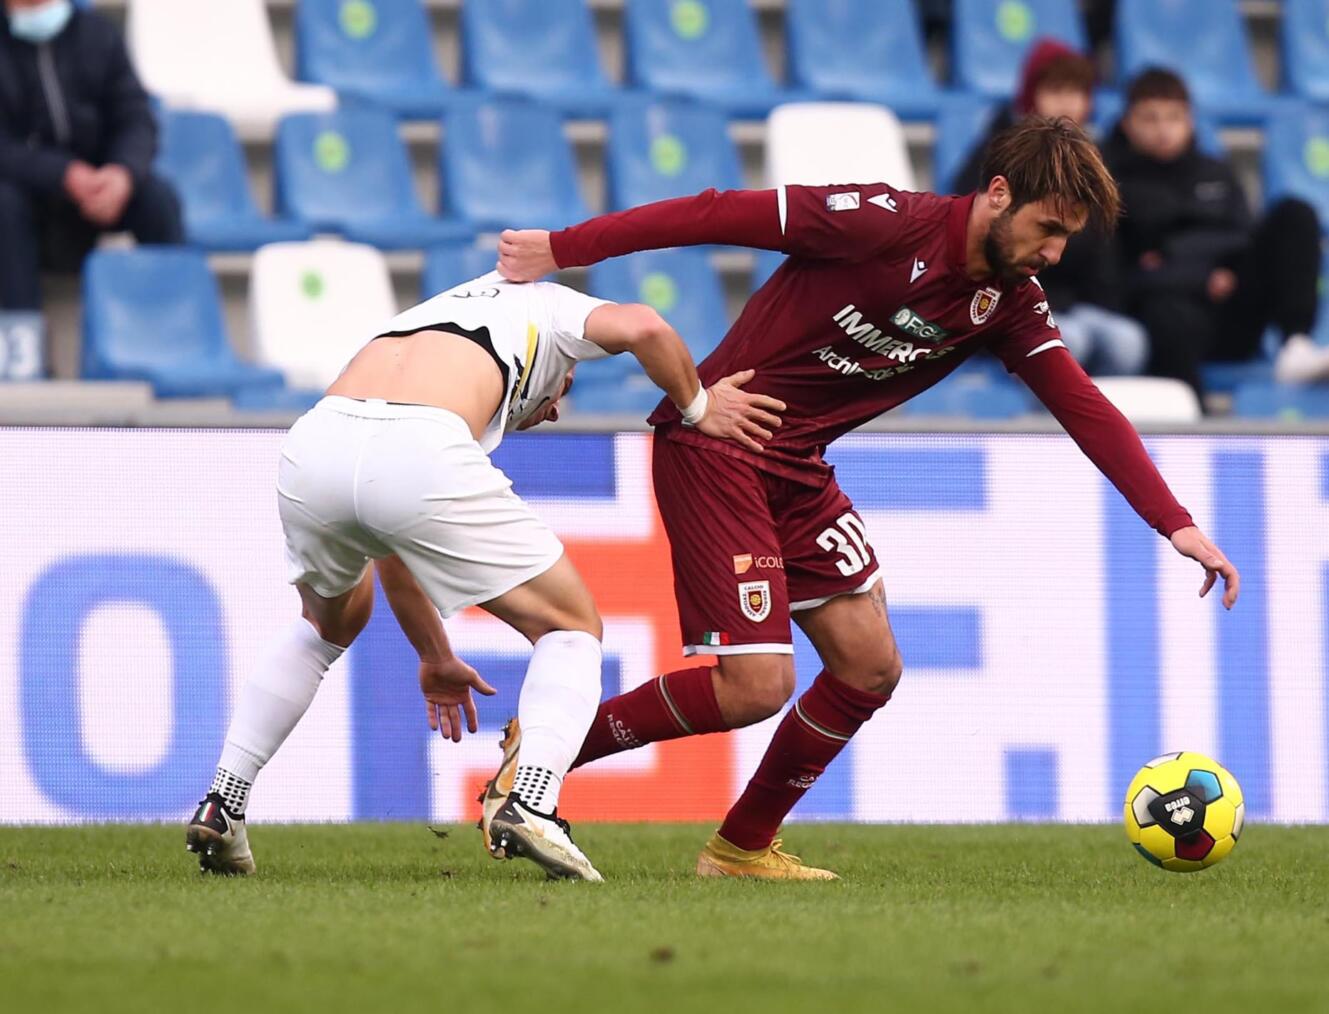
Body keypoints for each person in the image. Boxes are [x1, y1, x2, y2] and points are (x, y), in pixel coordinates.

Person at [497, 117, 1241, 881]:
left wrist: (1174, 523)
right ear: (996, 195)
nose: (1053, 253)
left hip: (797, 468)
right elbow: (714, 211)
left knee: (867, 667)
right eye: (1047, 229)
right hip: (718, 445)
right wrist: (565, 247)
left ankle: (739, 850)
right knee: (755, 687)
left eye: (1066, 240)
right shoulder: (876, 222)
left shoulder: (1010, 302)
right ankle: (545, 749)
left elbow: (1083, 406)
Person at [185, 270, 784, 881]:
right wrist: (699, 407)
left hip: (317, 441)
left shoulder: (424, 318)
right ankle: (531, 801)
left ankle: (224, 800)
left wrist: (436, 656)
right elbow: (646, 325)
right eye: (564, 387)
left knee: (328, 623)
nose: (552, 410)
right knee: (572, 626)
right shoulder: (553, 307)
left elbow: (392, 536)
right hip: (417, 444)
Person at [1103, 68, 1327, 393]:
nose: (1163, 129)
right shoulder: (1110, 185)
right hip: (1164, 316)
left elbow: (1245, 238)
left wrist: (1227, 272)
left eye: (1174, 117)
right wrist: (1201, 278)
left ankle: (1296, 344)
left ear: (1190, 120)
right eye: (1150, 118)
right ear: (1127, 122)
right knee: (1166, 312)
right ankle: (1193, 417)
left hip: (1231, 307)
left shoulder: (1216, 172)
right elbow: (1118, 274)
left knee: (1295, 213)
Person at [954, 39, 1146, 377]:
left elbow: (1104, 245)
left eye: (1078, 92)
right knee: (1069, 340)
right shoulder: (997, 152)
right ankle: (1043, 425)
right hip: (1010, 301)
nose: (1068, 104)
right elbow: (975, 230)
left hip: (1079, 304)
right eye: (1056, 91)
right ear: (1031, 95)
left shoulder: (1094, 159)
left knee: (1128, 341)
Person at [0, 0, 182, 312]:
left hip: (99, 191)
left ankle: (174, 325)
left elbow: (136, 118)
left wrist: (122, 172)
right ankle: (24, 348)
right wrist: (62, 174)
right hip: (25, 196)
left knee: (157, 197)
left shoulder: (98, 33)